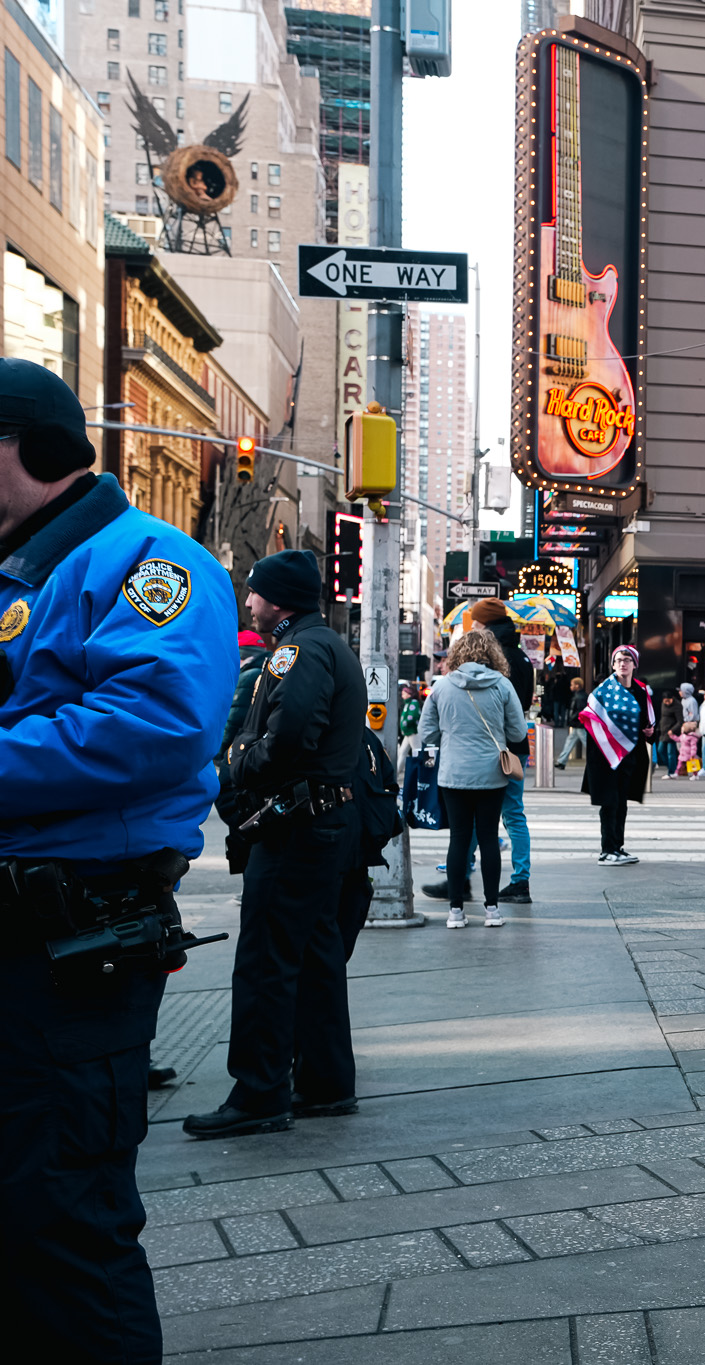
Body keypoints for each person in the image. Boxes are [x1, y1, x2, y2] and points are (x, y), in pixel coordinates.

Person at [0, 358, 238, 1360]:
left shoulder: (151, 564)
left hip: (64, 943)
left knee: (62, 1222)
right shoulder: (22, 568)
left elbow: (154, 722)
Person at [189, 546, 369, 1142]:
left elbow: (287, 738)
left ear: (279, 599)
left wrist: (238, 762)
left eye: (255, 593)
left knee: (267, 960)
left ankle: (260, 1092)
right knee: (316, 958)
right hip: (321, 828)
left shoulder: (298, 652)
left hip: (296, 828)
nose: (249, 602)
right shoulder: (323, 645)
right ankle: (324, 1083)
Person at [415, 629, 528, 928]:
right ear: (492, 654)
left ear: (458, 654)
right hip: (492, 773)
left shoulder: (441, 688)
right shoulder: (502, 685)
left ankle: (455, 912)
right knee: (489, 837)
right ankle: (492, 910)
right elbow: (518, 733)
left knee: (459, 840)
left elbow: (427, 733)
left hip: (453, 775)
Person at [444, 597, 534, 906]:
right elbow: (522, 709)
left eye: (476, 621)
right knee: (513, 814)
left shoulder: (492, 662)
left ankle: (463, 876)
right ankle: (520, 880)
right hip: (515, 749)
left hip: (491, 748)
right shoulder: (522, 657)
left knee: (472, 817)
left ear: (483, 624)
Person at [582, 645, 654, 863]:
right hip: (606, 757)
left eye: (627, 660)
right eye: (619, 660)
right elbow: (591, 723)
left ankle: (618, 847)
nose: (623, 663)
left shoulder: (642, 692)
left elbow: (648, 725)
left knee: (621, 802)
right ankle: (607, 850)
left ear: (634, 664)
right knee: (609, 802)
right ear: (613, 664)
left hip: (630, 757)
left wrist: (650, 732)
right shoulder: (602, 692)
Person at [221, 628, 268, 756]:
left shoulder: (248, 676)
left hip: (238, 750)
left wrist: (219, 752)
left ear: (240, 655)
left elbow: (235, 720)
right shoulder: (265, 671)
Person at [554, 675, 588, 767]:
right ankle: (561, 761)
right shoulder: (580, 696)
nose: (570, 687)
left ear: (577, 686)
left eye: (572, 685)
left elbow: (579, 711)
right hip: (578, 724)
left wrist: (572, 718)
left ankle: (561, 761)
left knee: (585, 743)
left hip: (578, 724)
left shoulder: (579, 697)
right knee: (570, 741)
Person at [655, 689, 684, 778]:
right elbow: (662, 717)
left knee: (670, 752)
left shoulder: (677, 705)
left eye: (668, 701)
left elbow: (680, 721)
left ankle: (671, 772)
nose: (667, 703)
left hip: (671, 732)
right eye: (665, 701)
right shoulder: (663, 704)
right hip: (663, 731)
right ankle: (671, 768)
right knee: (660, 750)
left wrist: (673, 730)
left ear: (672, 698)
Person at [675, 682, 701, 776]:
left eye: (681, 690)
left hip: (690, 725)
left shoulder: (691, 701)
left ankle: (694, 767)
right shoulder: (684, 700)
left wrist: (688, 722)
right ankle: (688, 767)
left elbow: (693, 714)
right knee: (682, 746)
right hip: (685, 724)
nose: (680, 692)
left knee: (690, 747)